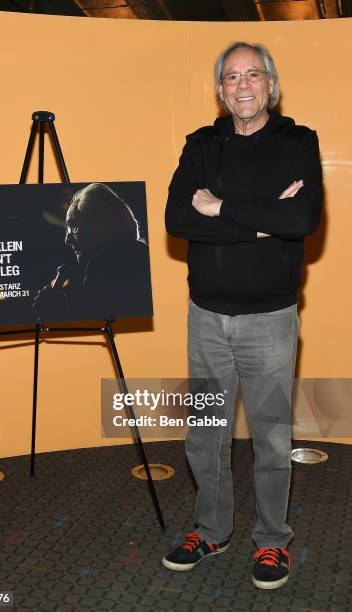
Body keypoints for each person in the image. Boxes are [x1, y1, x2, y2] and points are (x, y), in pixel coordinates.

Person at [162, 41, 323, 590]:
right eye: (232, 77)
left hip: (270, 322)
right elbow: (176, 218)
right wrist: (261, 220)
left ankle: (273, 541)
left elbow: (300, 216)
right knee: (204, 435)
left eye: (253, 74)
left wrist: (223, 207)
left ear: (271, 86)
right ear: (221, 89)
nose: (243, 85)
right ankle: (211, 528)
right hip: (206, 318)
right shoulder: (201, 145)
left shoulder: (297, 142)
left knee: (273, 438)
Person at [33, 182, 152, 321]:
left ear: (103, 226)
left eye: (75, 229)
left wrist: (53, 313)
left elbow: (100, 329)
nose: (67, 240)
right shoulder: (142, 255)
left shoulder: (102, 267)